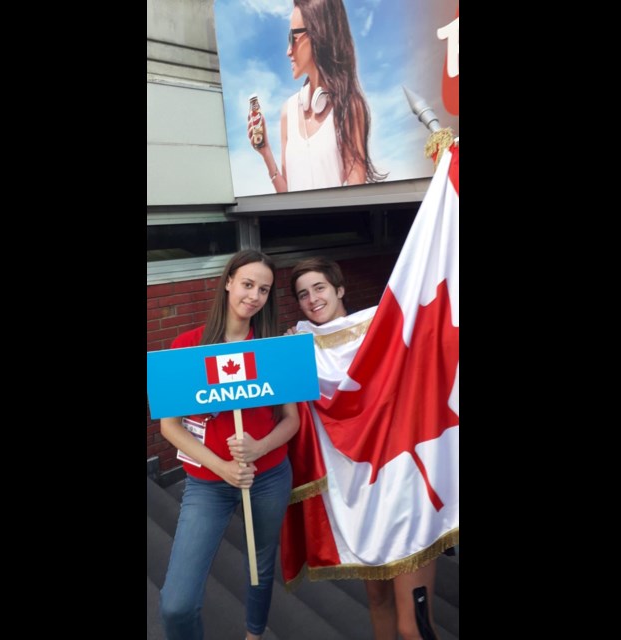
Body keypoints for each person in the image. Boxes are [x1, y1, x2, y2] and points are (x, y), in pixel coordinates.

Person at [287, 257, 441, 640]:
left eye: (319, 288)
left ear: (340, 289)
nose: (312, 299)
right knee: (378, 602)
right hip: (359, 498)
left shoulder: (381, 330)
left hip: (406, 488)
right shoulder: (299, 346)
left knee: (414, 627)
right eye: (303, 294)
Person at [159, 250, 301, 640]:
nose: (254, 295)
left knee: (261, 564)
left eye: (264, 289)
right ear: (228, 282)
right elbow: (170, 427)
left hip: (268, 475)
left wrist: (259, 448)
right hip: (208, 483)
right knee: (176, 603)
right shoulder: (186, 347)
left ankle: (255, 633)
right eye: (247, 284)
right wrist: (221, 467)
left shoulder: (273, 349)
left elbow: (292, 421)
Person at [248, 0, 386, 192]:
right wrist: (265, 152)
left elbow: (357, 198)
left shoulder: (349, 107)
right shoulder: (288, 111)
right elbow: (286, 195)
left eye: (293, 38)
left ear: (318, 35)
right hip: (295, 222)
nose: (288, 51)